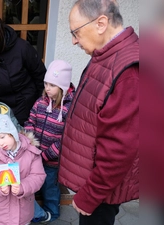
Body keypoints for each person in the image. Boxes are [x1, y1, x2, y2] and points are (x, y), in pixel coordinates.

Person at [58, 1, 139, 224]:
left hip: (101, 191)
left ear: (101, 23)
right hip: (95, 183)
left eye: (76, 32)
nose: (74, 40)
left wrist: (89, 196)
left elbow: (119, 150)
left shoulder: (128, 71)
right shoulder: (105, 55)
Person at [24, 60, 75, 223]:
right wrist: (31, 142)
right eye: (46, 84)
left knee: (49, 186)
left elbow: (67, 138)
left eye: (52, 85)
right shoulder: (40, 102)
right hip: (35, 153)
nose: (47, 88)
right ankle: (36, 209)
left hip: (52, 159)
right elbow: (30, 121)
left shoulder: (69, 108)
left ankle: (53, 212)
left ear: (63, 87)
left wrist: (46, 155)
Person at [0, 114, 46, 225]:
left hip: (22, 212)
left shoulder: (31, 152)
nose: (1, 143)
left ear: (12, 132)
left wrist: (23, 187)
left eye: (3, 137)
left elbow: (38, 176)